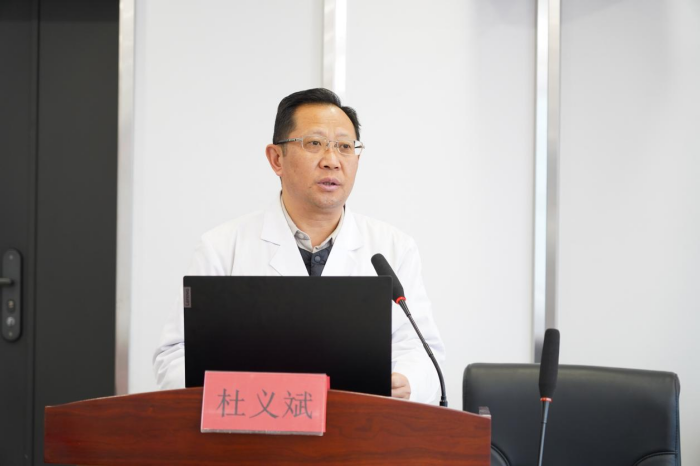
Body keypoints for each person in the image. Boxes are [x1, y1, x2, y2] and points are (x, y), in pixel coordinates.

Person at [153, 88, 445, 403]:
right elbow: (175, 356)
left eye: (345, 147)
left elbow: (421, 351)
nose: (332, 161)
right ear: (276, 158)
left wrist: (406, 382)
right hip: (253, 426)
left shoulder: (394, 248)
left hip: (361, 425)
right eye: (314, 143)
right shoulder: (223, 247)